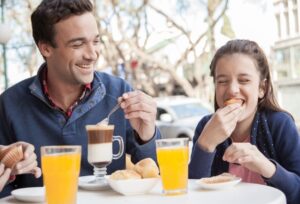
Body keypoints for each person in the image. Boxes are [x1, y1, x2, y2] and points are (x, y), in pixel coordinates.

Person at [0, 0, 160, 197]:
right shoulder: (9, 105)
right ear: (46, 48)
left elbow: (156, 177)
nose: (92, 54)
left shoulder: (119, 93)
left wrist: (147, 135)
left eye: (96, 41)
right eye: (78, 44)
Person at [188, 39, 300, 204]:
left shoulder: (280, 124)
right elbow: (192, 194)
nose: (232, 90)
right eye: (222, 81)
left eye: (244, 80)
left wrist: (267, 166)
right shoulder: (206, 126)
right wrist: (205, 145)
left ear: (262, 88)